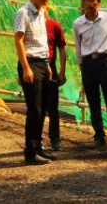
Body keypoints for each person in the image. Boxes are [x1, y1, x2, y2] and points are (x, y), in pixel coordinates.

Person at [73, 0, 107, 148]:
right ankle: (99, 136)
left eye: (94, 0)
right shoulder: (78, 23)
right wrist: (82, 66)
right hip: (88, 64)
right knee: (93, 101)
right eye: (88, 0)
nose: (91, 3)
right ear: (84, 3)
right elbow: (78, 47)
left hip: (105, 62)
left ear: (98, 2)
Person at [14, 0, 57, 165]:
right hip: (30, 63)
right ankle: (30, 152)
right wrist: (26, 68)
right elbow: (19, 41)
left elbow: (41, 41)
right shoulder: (23, 12)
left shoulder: (41, 12)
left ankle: (39, 147)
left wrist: (47, 64)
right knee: (34, 108)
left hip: (42, 62)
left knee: (43, 107)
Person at [43, 9, 67, 151]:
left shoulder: (54, 26)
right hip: (36, 65)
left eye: (44, 8)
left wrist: (62, 71)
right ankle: (36, 140)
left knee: (53, 107)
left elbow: (62, 48)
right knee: (36, 107)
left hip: (51, 66)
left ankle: (55, 139)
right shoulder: (30, 25)